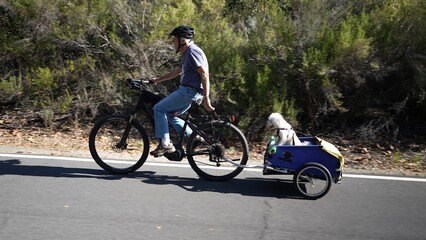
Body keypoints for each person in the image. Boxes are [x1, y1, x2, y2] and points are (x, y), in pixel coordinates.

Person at [149, 26, 215, 157]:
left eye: (175, 39)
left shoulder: (192, 52)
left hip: (188, 92)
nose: (173, 42)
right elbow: (178, 71)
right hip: (189, 92)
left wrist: (207, 98)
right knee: (170, 114)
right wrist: (158, 80)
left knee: (158, 109)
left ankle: (165, 144)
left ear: (182, 40)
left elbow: (204, 74)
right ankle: (193, 137)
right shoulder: (187, 53)